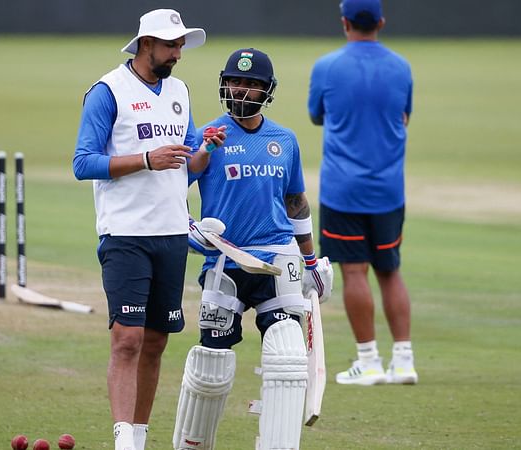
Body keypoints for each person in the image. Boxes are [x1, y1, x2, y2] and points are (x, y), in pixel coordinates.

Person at [72, 9, 225, 450]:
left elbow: (185, 169)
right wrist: (145, 158)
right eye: (171, 45)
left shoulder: (179, 90)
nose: (178, 53)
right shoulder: (107, 91)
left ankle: (139, 437)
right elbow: (83, 164)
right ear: (145, 45)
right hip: (125, 233)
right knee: (127, 339)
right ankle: (124, 441)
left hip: (174, 233)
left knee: (156, 341)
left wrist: (203, 152)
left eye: (180, 45)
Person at [172, 48, 333, 450]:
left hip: (278, 260)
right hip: (224, 259)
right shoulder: (207, 136)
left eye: (251, 84)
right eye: (235, 81)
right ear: (224, 84)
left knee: (287, 357)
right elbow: (173, 192)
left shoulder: (285, 140)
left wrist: (311, 260)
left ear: (267, 91)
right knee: (211, 364)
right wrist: (191, 230)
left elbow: (296, 203)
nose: (241, 89)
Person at [307, 0, 418, 386]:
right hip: (388, 189)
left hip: (343, 190)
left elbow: (316, 114)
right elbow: (405, 114)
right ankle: (403, 360)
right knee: (390, 270)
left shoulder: (327, 66)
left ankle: (368, 359)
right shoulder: (401, 67)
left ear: (344, 23)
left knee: (355, 271)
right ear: (381, 22)